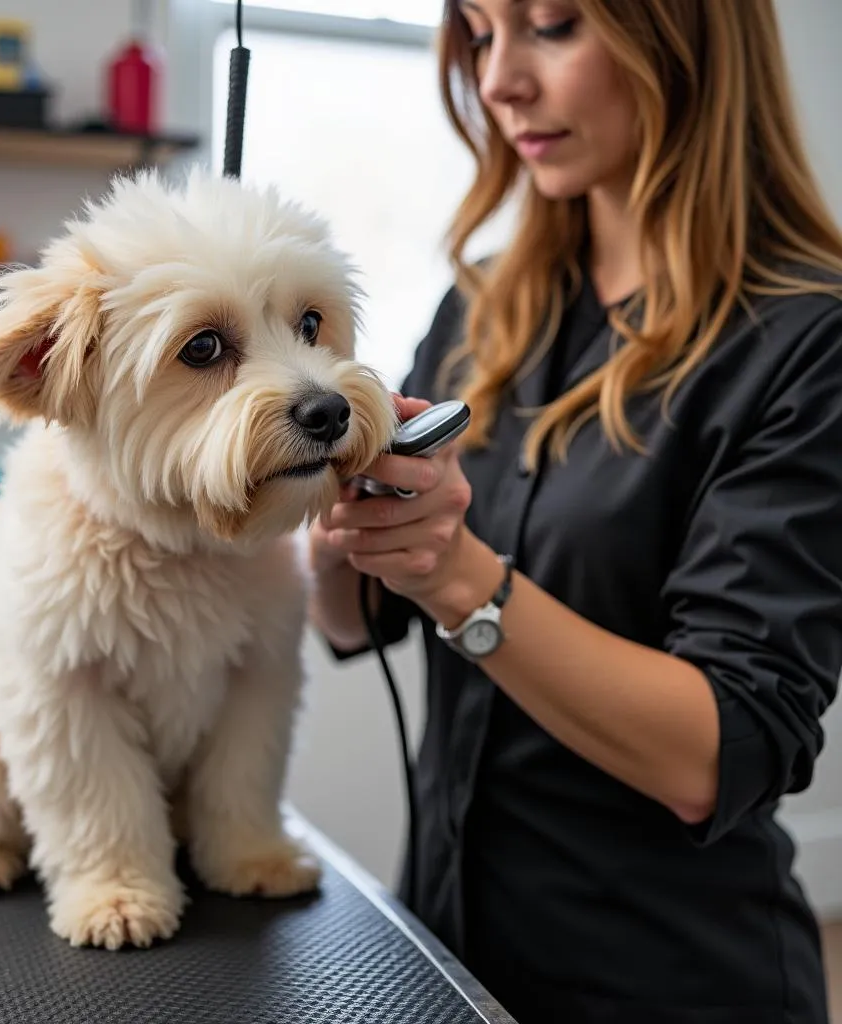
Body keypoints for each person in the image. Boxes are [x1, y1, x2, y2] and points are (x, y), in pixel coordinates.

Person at [306, 1, 842, 1021]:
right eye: (479, 30)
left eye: (550, 25)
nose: (500, 79)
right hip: (448, 949)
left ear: (682, 39)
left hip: (667, 982)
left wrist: (457, 574)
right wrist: (338, 510)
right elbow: (351, 621)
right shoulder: (487, 305)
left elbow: (714, 751)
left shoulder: (803, 344)